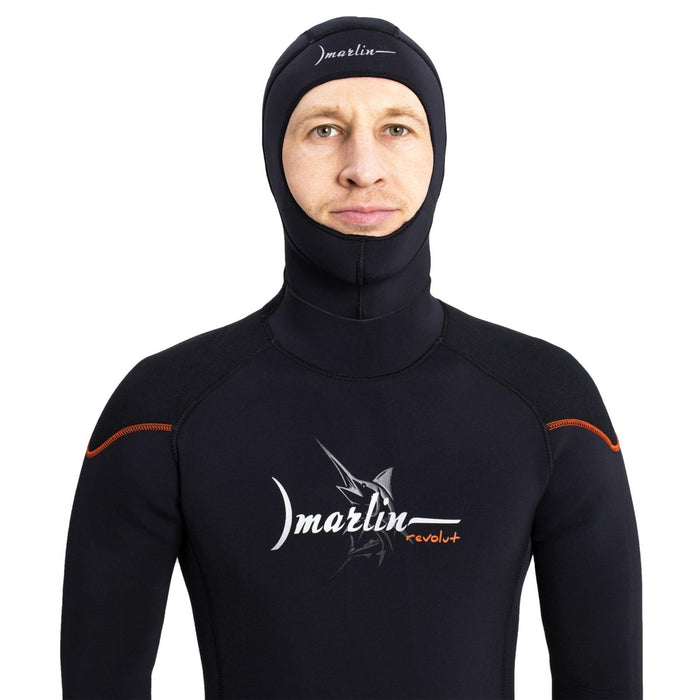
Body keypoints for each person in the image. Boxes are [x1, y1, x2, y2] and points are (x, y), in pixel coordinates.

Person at [60, 16, 643, 700]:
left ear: (437, 153)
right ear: (274, 156)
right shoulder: (160, 412)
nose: (362, 168)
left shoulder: (550, 405)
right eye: (324, 129)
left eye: (396, 128)